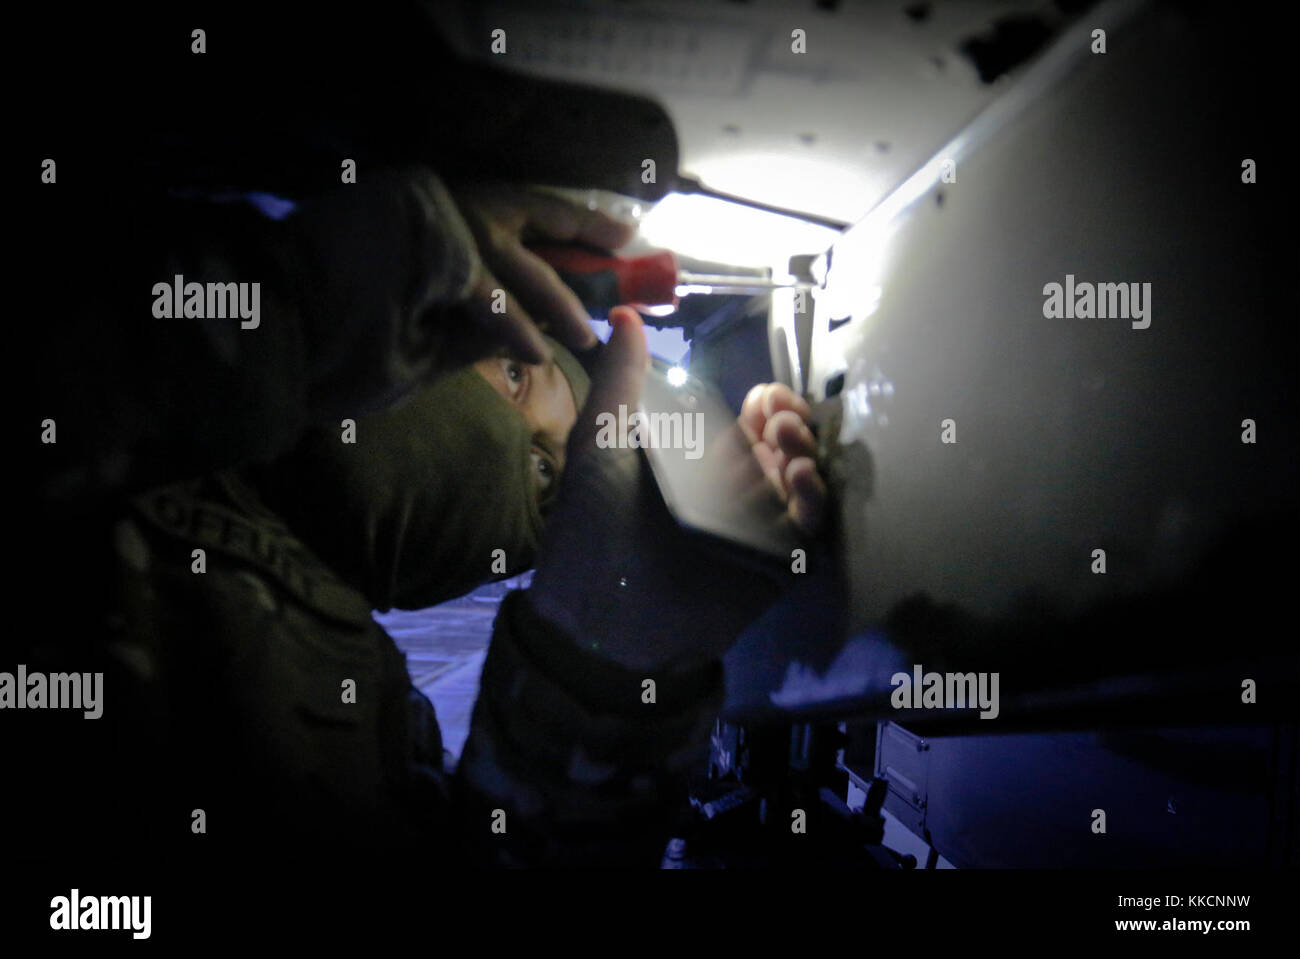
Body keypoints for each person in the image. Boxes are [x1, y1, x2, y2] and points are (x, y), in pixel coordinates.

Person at [24, 166, 827, 868]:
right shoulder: (123, 422)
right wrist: (303, 302)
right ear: (412, 345)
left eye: (551, 481)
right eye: (515, 374)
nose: (511, 450)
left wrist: (614, 661)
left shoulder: (378, 718)